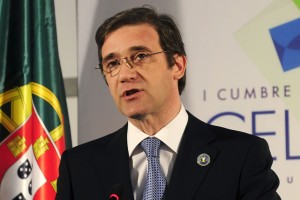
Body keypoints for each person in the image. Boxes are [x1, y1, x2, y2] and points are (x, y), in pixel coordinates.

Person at [56, 6, 281, 200]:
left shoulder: (241, 156)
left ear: (177, 65)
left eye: (140, 56)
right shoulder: (79, 167)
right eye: (113, 63)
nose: (125, 74)